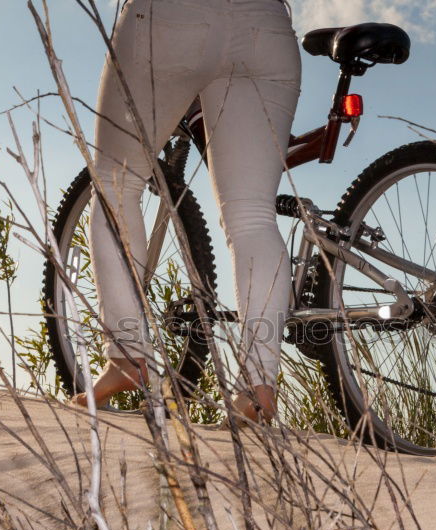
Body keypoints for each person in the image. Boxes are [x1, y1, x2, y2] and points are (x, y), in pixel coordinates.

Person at [72, 0, 301, 422]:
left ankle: (127, 356)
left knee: (116, 185)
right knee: (253, 215)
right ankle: (258, 386)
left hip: (170, 19)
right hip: (266, 27)